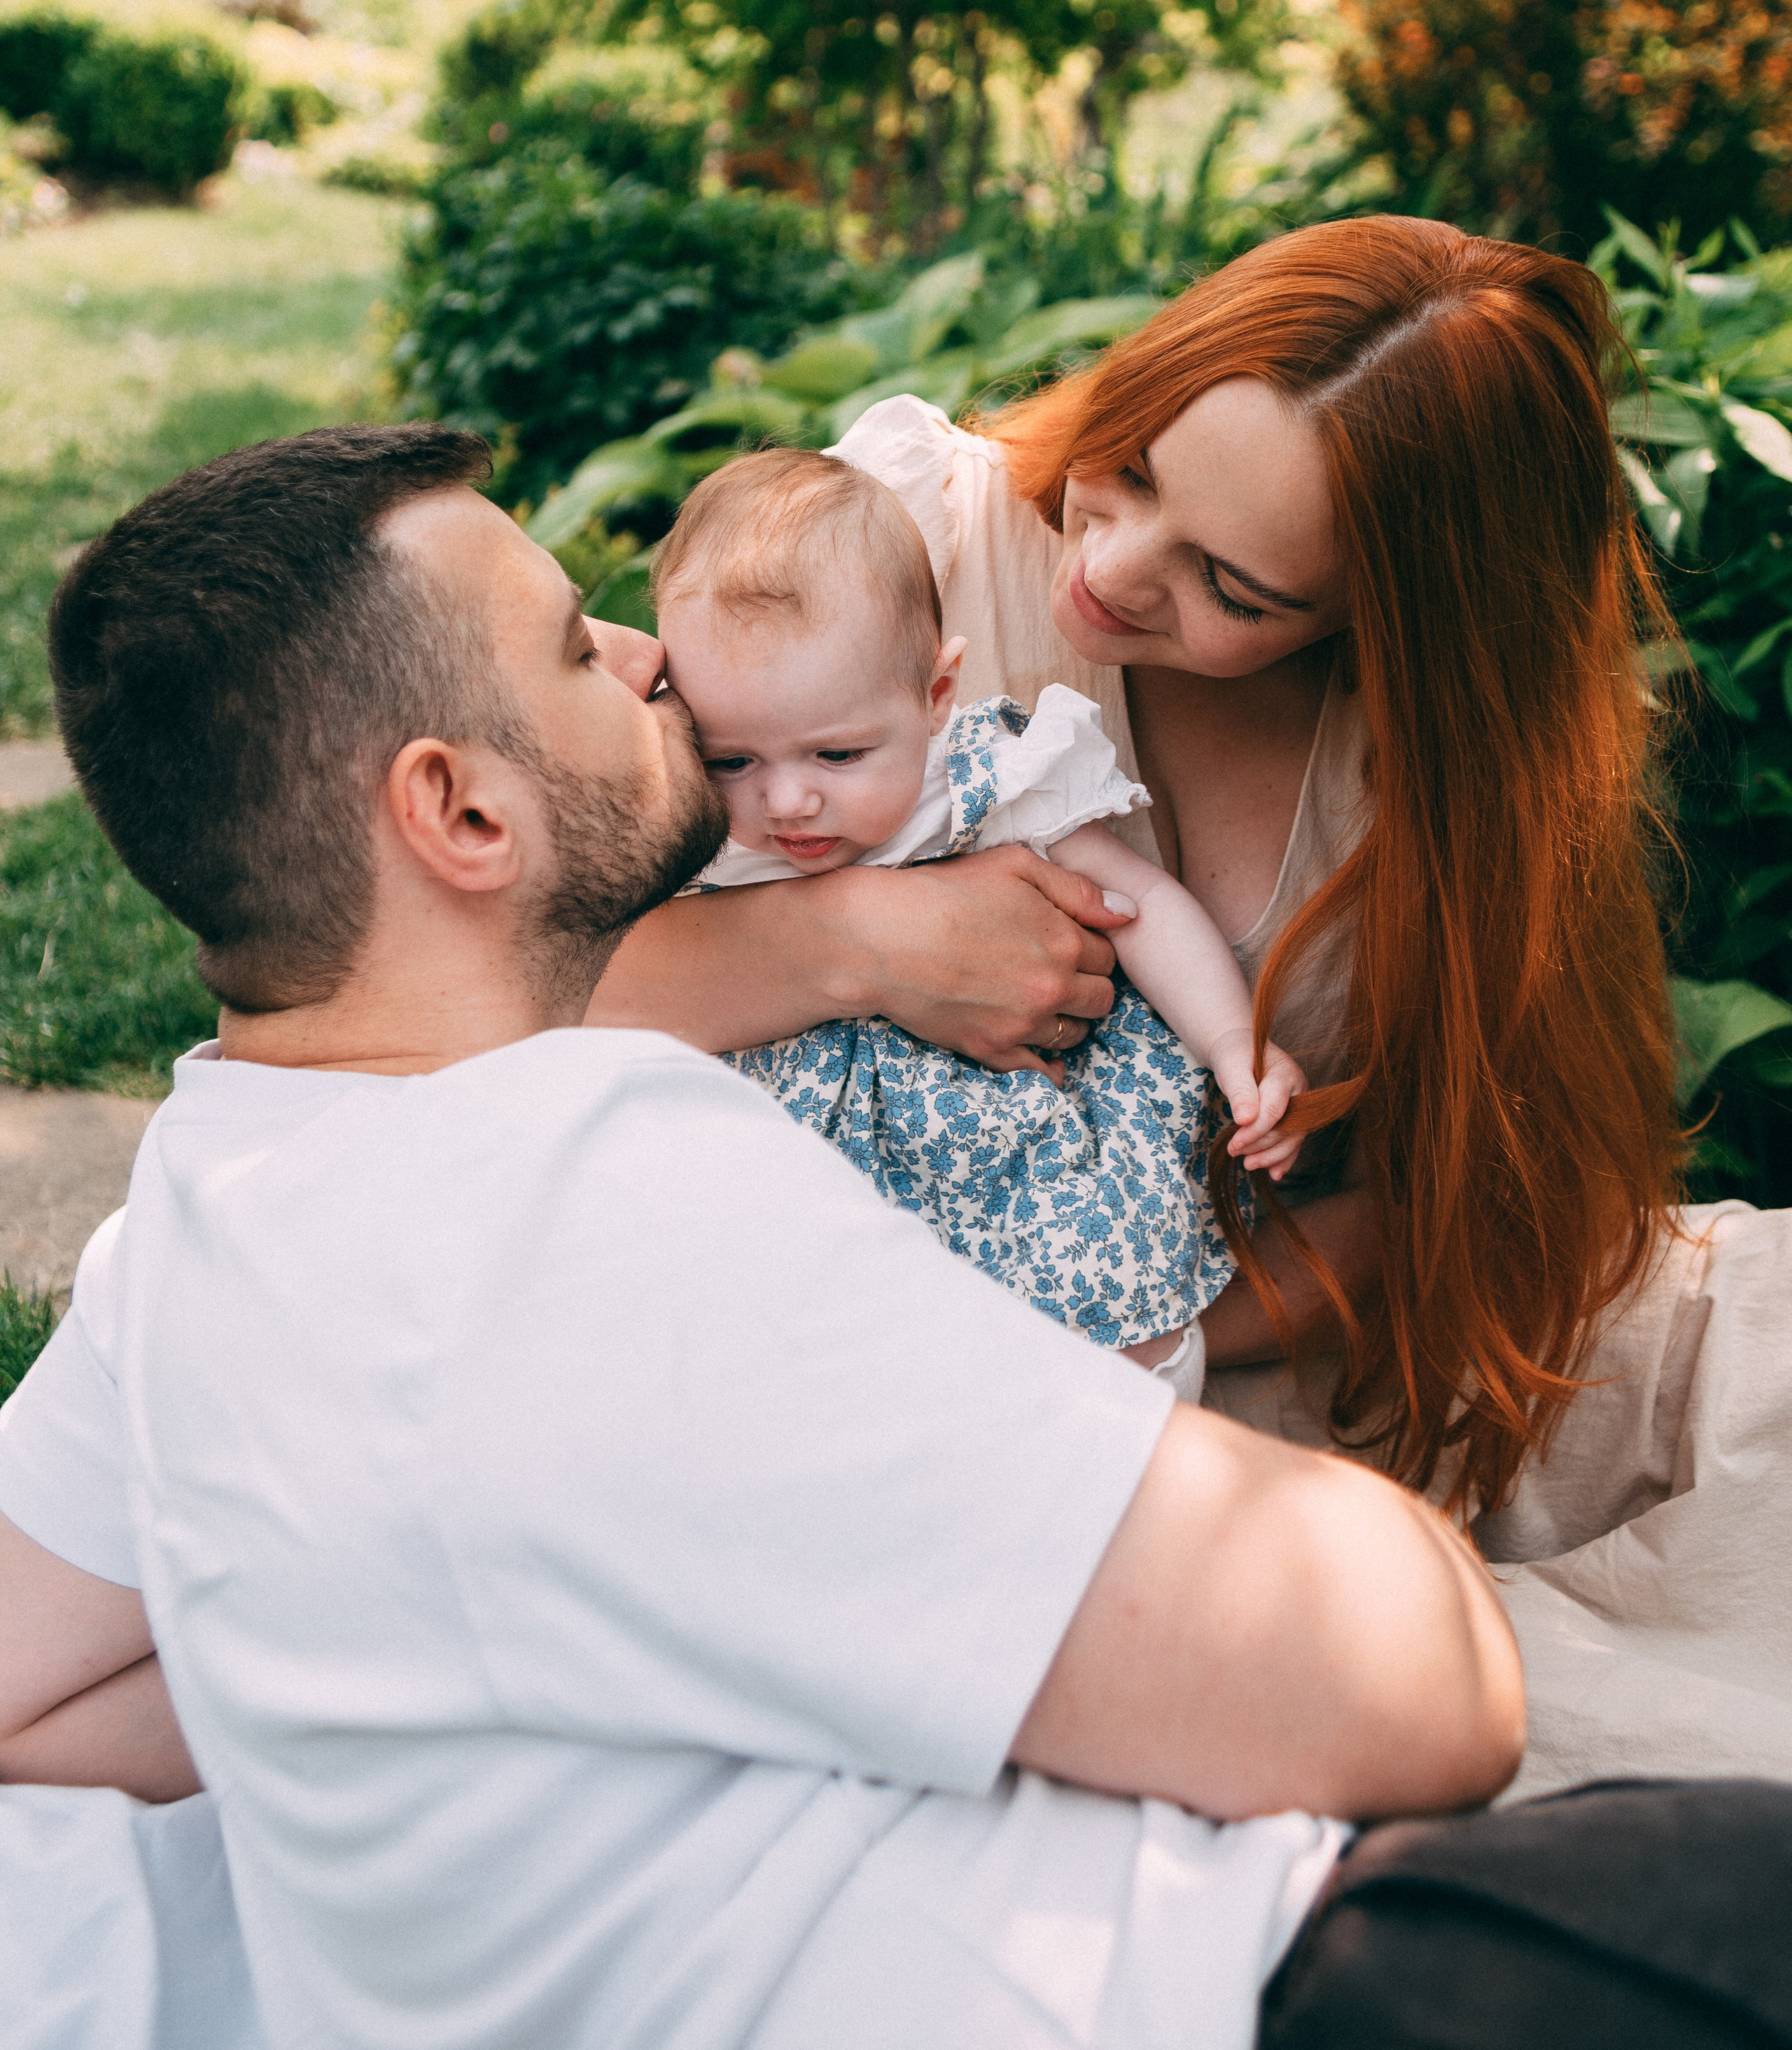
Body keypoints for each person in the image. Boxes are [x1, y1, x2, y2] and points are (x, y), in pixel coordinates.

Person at [0, 423, 1788, 2050]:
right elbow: (1414, 1689)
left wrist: (515, 1652)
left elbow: (27, 1699)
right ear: (460, 813)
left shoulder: (204, 1213)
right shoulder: (609, 1185)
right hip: (1246, 1987)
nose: (644, 656)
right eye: (570, 645)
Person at [589, 218, 1684, 1522]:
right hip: (793, 1335)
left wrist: (1109, 1333)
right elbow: (519, 978)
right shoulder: (902, 534)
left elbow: (1458, 1201)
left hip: (1199, 1365)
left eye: (1233, 585)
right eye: (1135, 466)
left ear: (1375, 621)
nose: (1105, 570)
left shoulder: (1431, 780)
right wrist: (865, 937)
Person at [655, 448, 1302, 1371]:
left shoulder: (982, 780)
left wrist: (1232, 1043)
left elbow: (1141, 906)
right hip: (805, 1184)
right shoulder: (691, 822)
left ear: (934, 699)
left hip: (1019, 1152)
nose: (787, 801)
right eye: (732, 760)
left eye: (837, 756)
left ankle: (1136, 1447)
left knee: (1118, 1324)